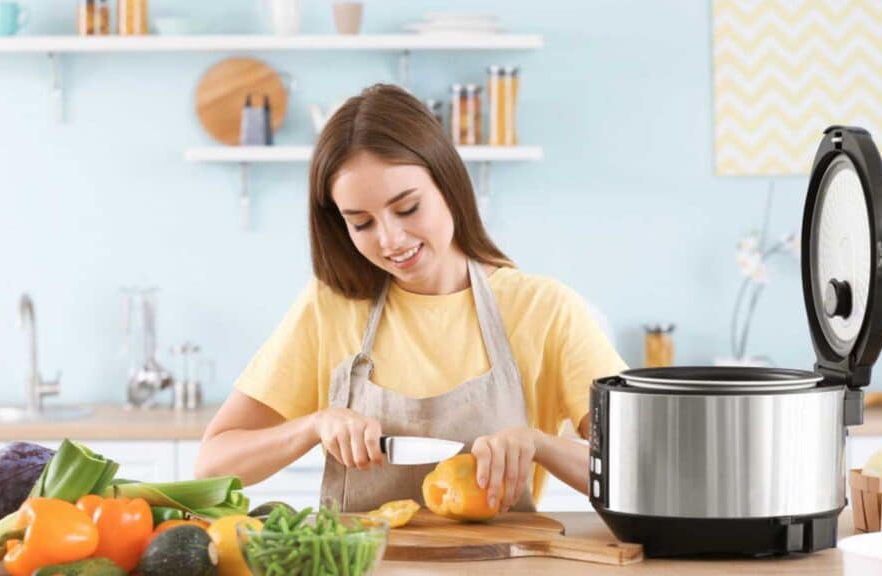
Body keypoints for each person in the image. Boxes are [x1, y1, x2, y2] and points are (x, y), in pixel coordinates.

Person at [195, 83, 627, 513]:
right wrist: (314, 426)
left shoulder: (545, 310)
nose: (391, 240)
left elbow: (634, 472)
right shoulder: (329, 307)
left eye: (407, 208)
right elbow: (212, 464)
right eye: (361, 223)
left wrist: (539, 445)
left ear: (448, 185)